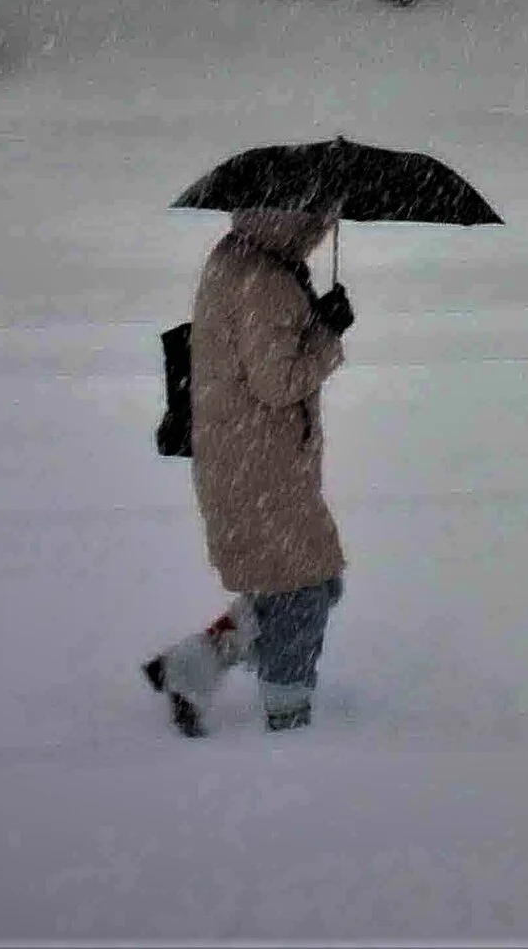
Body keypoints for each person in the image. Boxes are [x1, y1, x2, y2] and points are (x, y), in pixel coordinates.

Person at [143, 205, 356, 735]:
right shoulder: (262, 278)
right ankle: (289, 721)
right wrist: (328, 334)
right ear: (294, 216)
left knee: (306, 583)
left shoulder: (238, 257)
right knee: (303, 590)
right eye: (318, 217)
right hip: (260, 464)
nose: (321, 228)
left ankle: (188, 668)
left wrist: (312, 315)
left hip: (249, 458)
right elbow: (279, 383)